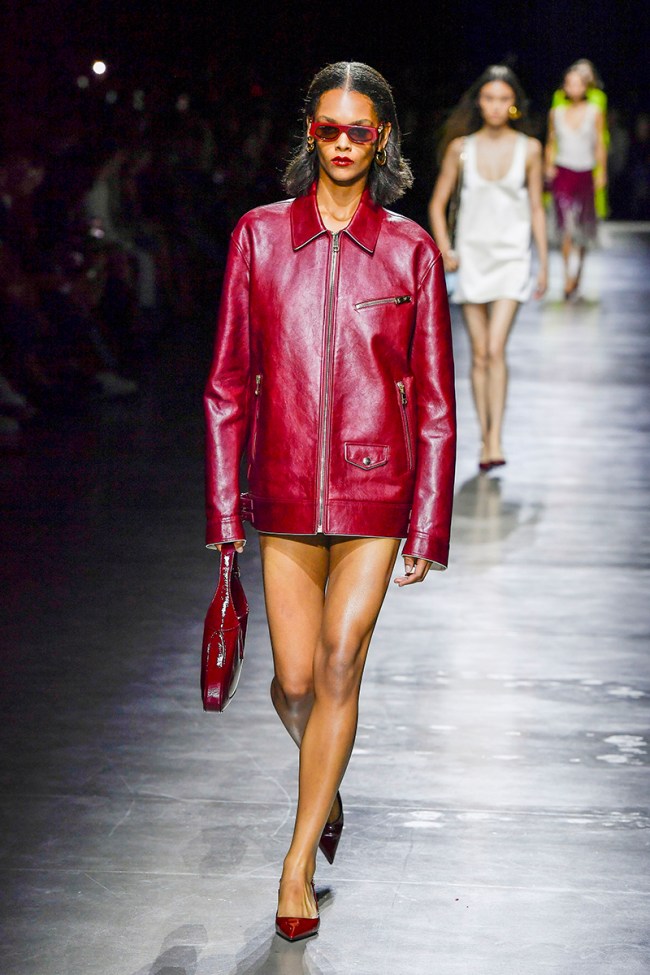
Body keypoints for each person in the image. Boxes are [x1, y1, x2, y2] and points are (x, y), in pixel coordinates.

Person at [204, 61, 456, 941]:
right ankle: (328, 775)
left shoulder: (412, 249)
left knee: (343, 661)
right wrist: (223, 512)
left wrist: (429, 518)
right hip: (279, 488)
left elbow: (433, 400)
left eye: (360, 130)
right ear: (308, 133)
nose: (343, 143)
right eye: (328, 128)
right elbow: (226, 385)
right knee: (293, 680)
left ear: (382, 136)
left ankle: (297, 860)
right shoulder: (259, 237)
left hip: (376, 486)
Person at [429, 65, 547, 473]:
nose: (496, 106)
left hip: (512, 257)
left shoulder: (530, 148)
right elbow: (436, 203)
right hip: (472, 257)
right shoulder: (461, 148)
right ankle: (485, 436)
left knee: (494, 349)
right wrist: (444, 248)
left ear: (513, 104)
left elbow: (535, 207)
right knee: (479, 354)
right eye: (489, 98)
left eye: (503, 99)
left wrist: (544, 262)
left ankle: (495, 438)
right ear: (479, 102)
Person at [545, 65, 607, 300]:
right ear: (564, 86)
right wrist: (548, 165)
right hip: (563, 170)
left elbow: (599, 142)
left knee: (583, 225)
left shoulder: (594, 111)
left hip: (585, 170)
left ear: (586, 87)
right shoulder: (556, 113)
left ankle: (578, 272)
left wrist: (602, 172)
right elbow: (551, 141)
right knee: (565, 227)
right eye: (569, 83)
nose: (574, 88)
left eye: (579, 83)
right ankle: (566, 275)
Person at [550, 59, 609, 219]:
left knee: (587, 204)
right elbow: (553, 134)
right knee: (563, 204)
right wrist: (549, 163)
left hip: (588, 150)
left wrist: (601, 169)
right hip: (565, 154)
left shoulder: (598, 98)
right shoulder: (558, 99)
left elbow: (600, 129)